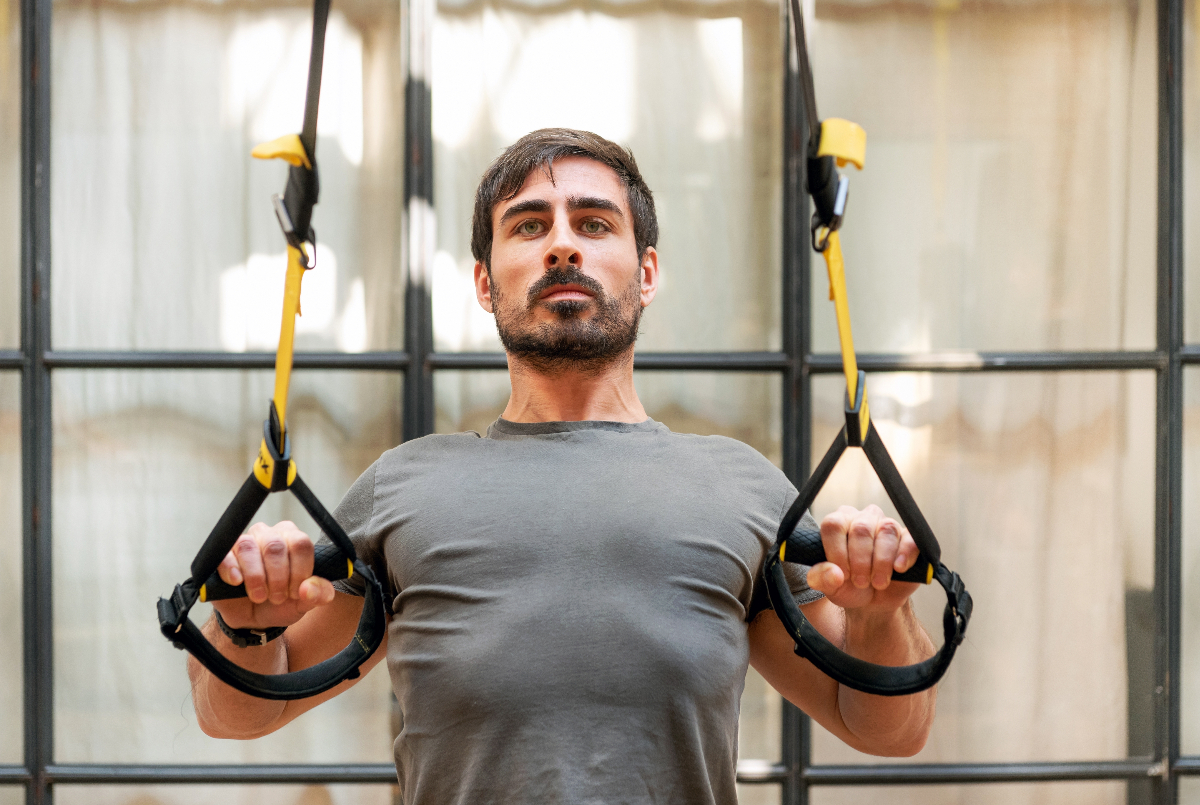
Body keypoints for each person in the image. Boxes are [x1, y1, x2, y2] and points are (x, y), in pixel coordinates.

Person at [188, 128, 937, 804]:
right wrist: (248, 629)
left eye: (594, 222)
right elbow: (238, 714)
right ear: (486, 283)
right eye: (528, 225)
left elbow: (888, 727)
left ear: (646, 273)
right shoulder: (406, 487)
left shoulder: (739, 489)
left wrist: (880, 617)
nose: (562, 246)